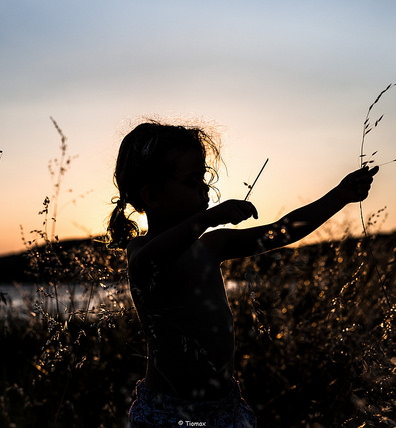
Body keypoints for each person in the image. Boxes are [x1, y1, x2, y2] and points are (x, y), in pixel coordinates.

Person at [107, 121, 378, 427]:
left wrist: (339, 195)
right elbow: (152, 259)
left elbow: (282, 232)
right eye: (192, 181)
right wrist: (210, 217)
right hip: (169, 413)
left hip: (223, 408)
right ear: (153, 196)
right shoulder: (141, 252)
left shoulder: (212, 246)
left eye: (204, 177)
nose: (204, 188)